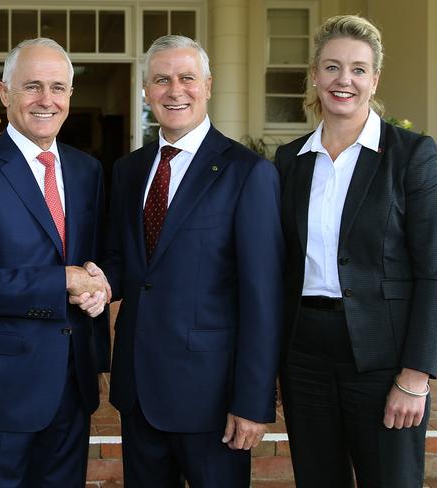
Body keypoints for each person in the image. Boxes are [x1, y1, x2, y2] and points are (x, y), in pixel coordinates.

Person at [95, 35, 283, 486]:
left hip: (212, 399)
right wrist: (97, 281)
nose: (174, 90)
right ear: (146, 90)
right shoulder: (129, 169)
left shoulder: (247, 172)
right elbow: (127, 263)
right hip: (139, 390)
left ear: (209, 85)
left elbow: (263, 297)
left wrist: (253, 401)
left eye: (186, 78)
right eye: (161, 80)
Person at [275, 15, 437, 488]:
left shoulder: (410, 155)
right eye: (331, 67)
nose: (343, 80)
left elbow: (435, 270)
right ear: (314, 74)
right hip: (304, 356)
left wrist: (415, 375)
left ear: (375, 79)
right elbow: (281, 269)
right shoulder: (290, 161)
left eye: (357, 69)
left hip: (383, 359)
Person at [0, 38, 110, 487]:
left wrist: (98, 287)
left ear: (70, 96)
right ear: (3, 92)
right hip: (1, 389)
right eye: (32, 86)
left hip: (72, 383)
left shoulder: (86, 170)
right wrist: (63, 281)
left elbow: (91, 261)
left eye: (58, 87)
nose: (46, 100)